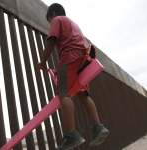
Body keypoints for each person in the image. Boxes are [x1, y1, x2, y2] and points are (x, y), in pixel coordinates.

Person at [37, 3, 110, 150]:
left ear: (52, 14)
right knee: (82, 94)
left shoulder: (57, 20)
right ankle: (98, 127)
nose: (50, 24)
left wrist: (42, 62)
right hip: (82, 60)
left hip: (69, 58)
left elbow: (51, 41)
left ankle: (71, 135)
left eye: (49, 21)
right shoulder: (74, 25)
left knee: (63, 94)